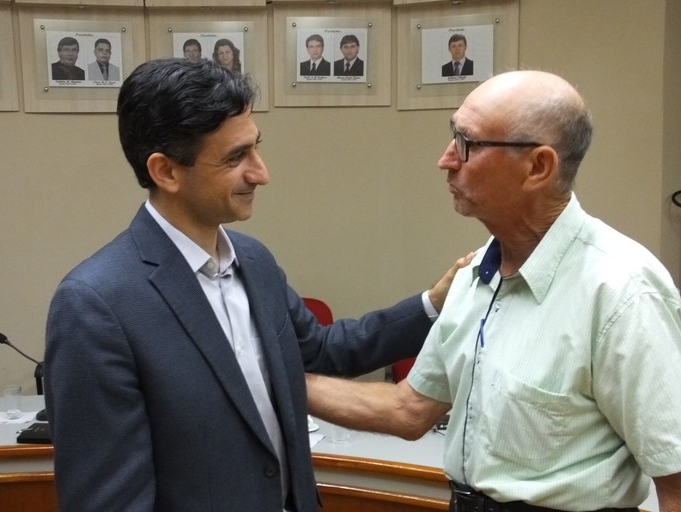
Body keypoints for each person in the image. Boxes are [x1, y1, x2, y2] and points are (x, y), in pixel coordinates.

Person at [44, 57, 468, 512]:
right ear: (165, 171)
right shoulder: (96, 305)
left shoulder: (253, 260)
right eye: (235, 157)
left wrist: (434, 302)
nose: (261, 173)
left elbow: (323, 351)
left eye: (255, 148)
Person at [306, 70, 681, 511]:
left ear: (538, 167)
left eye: (467, 143)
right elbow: (410, 409)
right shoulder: (475, 275)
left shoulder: (622, 291)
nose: (446, 159)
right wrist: (273, 377)